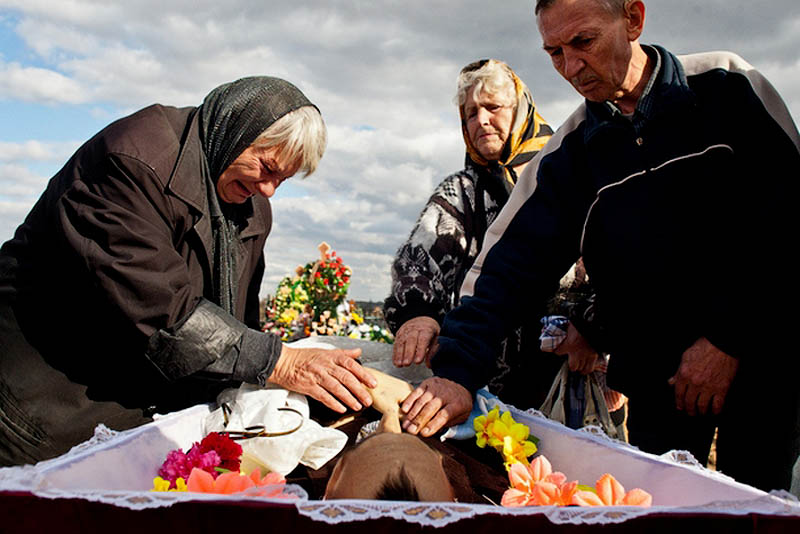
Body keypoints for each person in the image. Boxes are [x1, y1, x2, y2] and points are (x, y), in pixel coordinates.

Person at [401, 0, 800, 492]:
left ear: (632, 19)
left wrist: (726, 338)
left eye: (583, 43)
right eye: (554, 53)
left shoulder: (728, 87)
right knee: (661, 511)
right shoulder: (571, 154)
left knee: (763, 506)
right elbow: (508, 266)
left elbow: (787, 224)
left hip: (764, 364)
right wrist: (457, 373)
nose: (571, 68)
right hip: (661, 388)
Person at [0, 76, 377, 466]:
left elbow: (237, 323)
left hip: (133, 408)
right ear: (234, 131)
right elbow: (161, 312)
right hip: (38, 400)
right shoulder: (133, 161)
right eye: (266, 167)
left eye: (282, 179)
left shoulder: (251, 208)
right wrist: (280, 362)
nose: (268, 190)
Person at [384, 59, 560, 408]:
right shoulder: (463, 192)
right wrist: (417, 313)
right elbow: (418, 259)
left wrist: (593, 337)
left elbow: (604, 263)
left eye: (492, 107)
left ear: (521, 110)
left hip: (564, 374)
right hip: (480, 383)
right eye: (470, 113)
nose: (481, 120)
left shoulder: (563, 178)